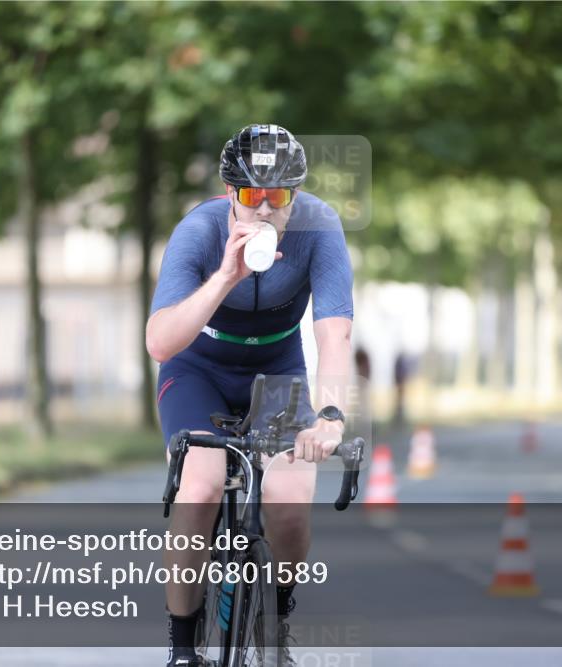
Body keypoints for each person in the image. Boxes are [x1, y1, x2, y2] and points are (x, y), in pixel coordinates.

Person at [146, 124, 354, 667]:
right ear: (229, 193)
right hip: (198, 369)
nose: (263, 210)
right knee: (203, 485)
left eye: (277, 197)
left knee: (288, 507)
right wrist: (223, 277)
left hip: (276, 372)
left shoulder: (320, 228)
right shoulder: (198, 230)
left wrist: (330, 416)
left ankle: (276, 623)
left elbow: (334, 334)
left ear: (295, 196)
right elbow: (160, 341)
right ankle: (183, 648)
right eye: (250, 196)